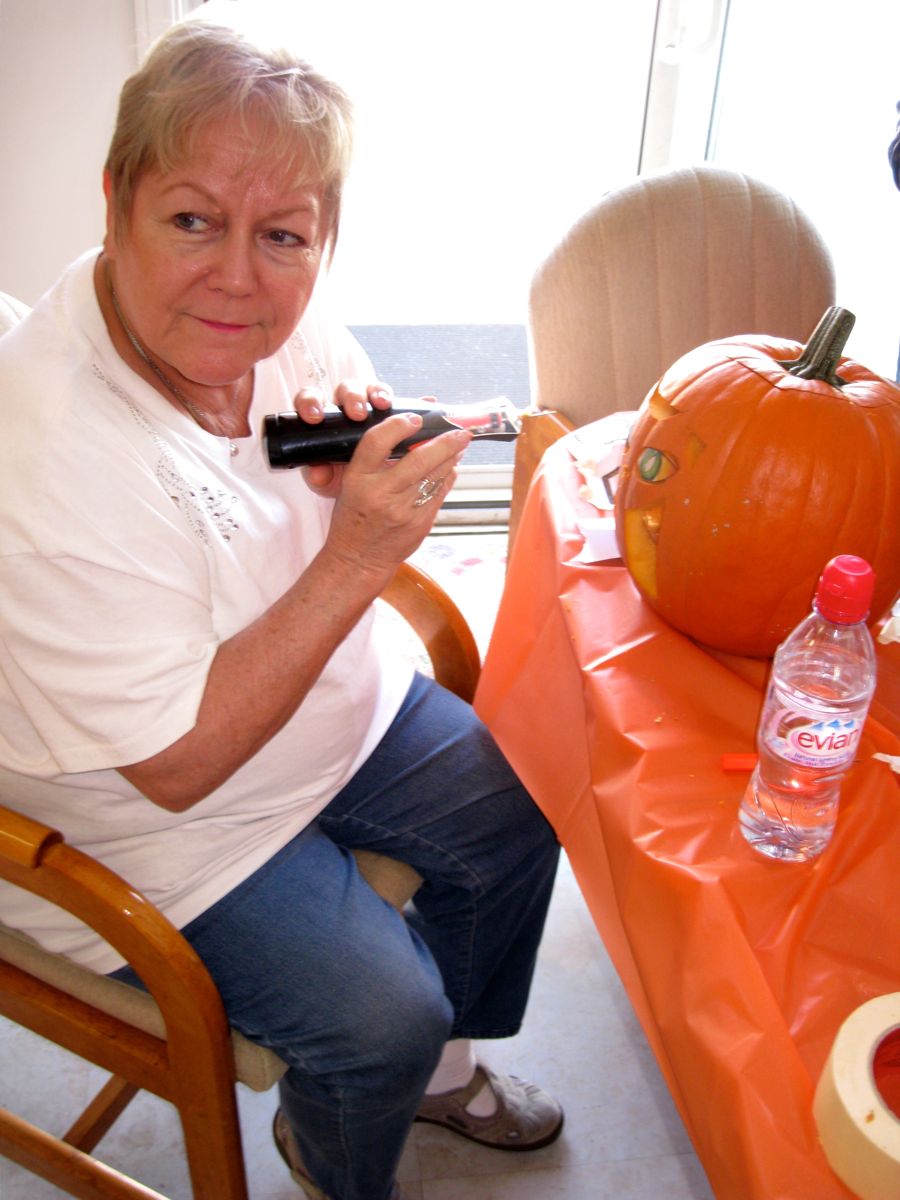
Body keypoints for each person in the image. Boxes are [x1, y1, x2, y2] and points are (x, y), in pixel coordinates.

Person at [0, 20, 562, 1200]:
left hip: (323, 712)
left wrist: (331, 483)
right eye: (193, 220)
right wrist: (355, 555)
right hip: (159, 830)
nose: (240, 280)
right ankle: (338, 1139)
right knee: (380, 1012)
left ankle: (434, 1072)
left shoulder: (275, 313)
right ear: (115, 202)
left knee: (525, 814)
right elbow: (179, 767)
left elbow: (266, 481)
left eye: (284, 237)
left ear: (324, 237)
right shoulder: (47, 452)